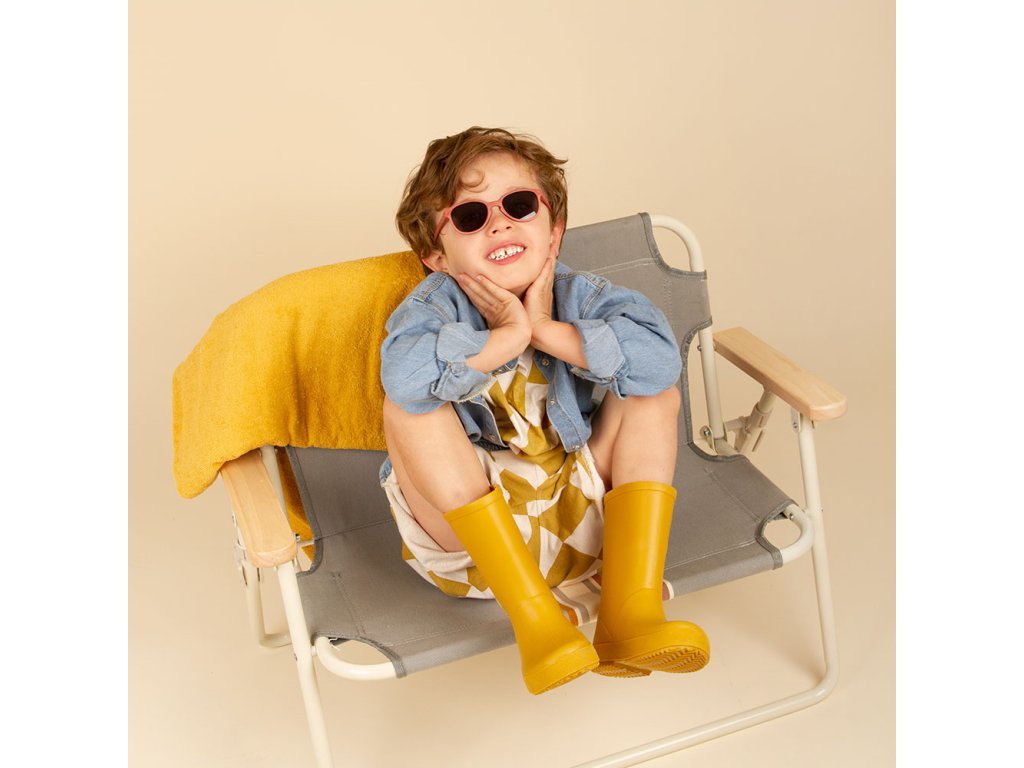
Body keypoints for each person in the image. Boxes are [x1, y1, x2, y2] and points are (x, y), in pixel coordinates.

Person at [379, 126, 709, 695]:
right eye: (470, 217)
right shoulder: (430, 311)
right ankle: (538, 623)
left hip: (583, 520)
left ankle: (630, 611)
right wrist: (506, 337)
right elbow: (406, 380)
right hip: (478, 548)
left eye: (518, 205)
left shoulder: (583, 295)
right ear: (437, 256)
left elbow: (659, 362)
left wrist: (545, 329)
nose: (499, 224)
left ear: (553, 230)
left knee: (653, 390)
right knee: (406, 408)